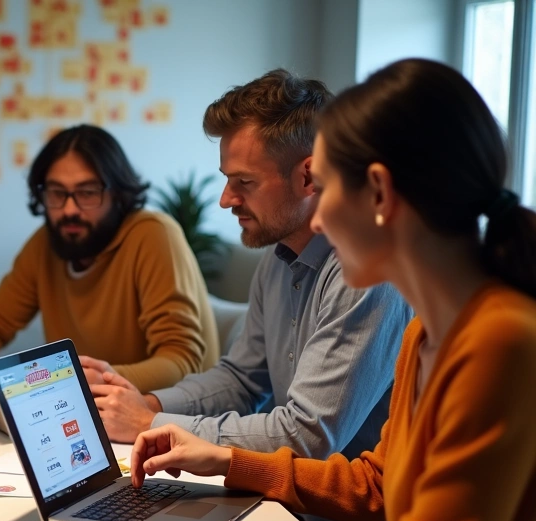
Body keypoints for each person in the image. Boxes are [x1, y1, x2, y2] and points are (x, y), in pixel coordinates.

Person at [119, 59, 536, 521]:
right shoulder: (428, 333)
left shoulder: (500, 341)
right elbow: (377, 486)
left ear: (380, 193)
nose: (319, 220)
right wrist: (229, 461)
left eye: (328, 185)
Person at [84, 69, 410, 462]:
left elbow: (308, 435)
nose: (226, 199)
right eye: (227, 179)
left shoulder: (364, 272)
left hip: (352, 504)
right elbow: (241, 380)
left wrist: (151, 424)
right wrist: (149, 405)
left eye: (245, 182)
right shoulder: (278, 258)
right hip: (290, 492)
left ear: (309, 177)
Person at [0, 124, 220, 392]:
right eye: (57, 193)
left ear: (118, 194)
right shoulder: (46, 243)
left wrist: (105, 379)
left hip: (170, 416)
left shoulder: (153, 235)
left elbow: (182, 359)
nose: (69, 210)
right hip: (88, 407)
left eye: (87, 192)